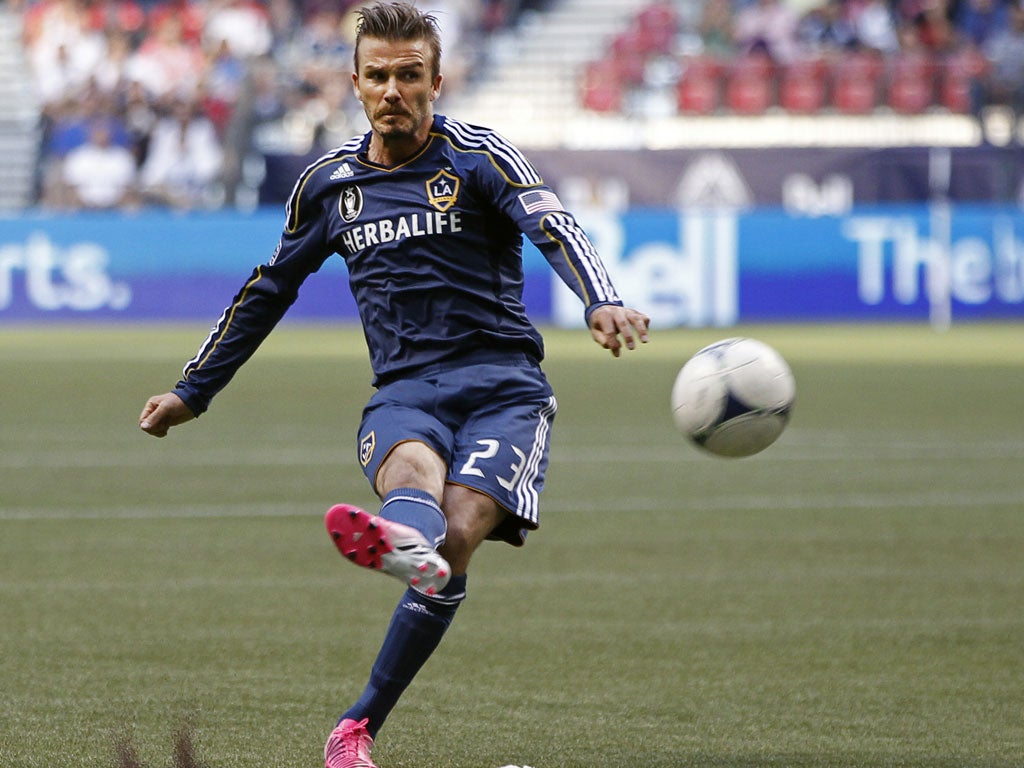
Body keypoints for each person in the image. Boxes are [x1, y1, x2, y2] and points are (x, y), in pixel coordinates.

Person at [137, 3, 650, 767]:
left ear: (437, 81)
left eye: (410, 76)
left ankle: (359, 718)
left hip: (503, 387)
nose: (393, 91)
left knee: (464, 524)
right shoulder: (328, 185)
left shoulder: (479, 158)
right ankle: (405, 550)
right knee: (412, 475)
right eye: (378, 76)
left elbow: (555, 226)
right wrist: (193, 390)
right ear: (354, 83)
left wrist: (599, 297)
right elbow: (267, 289)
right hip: (404, 391)